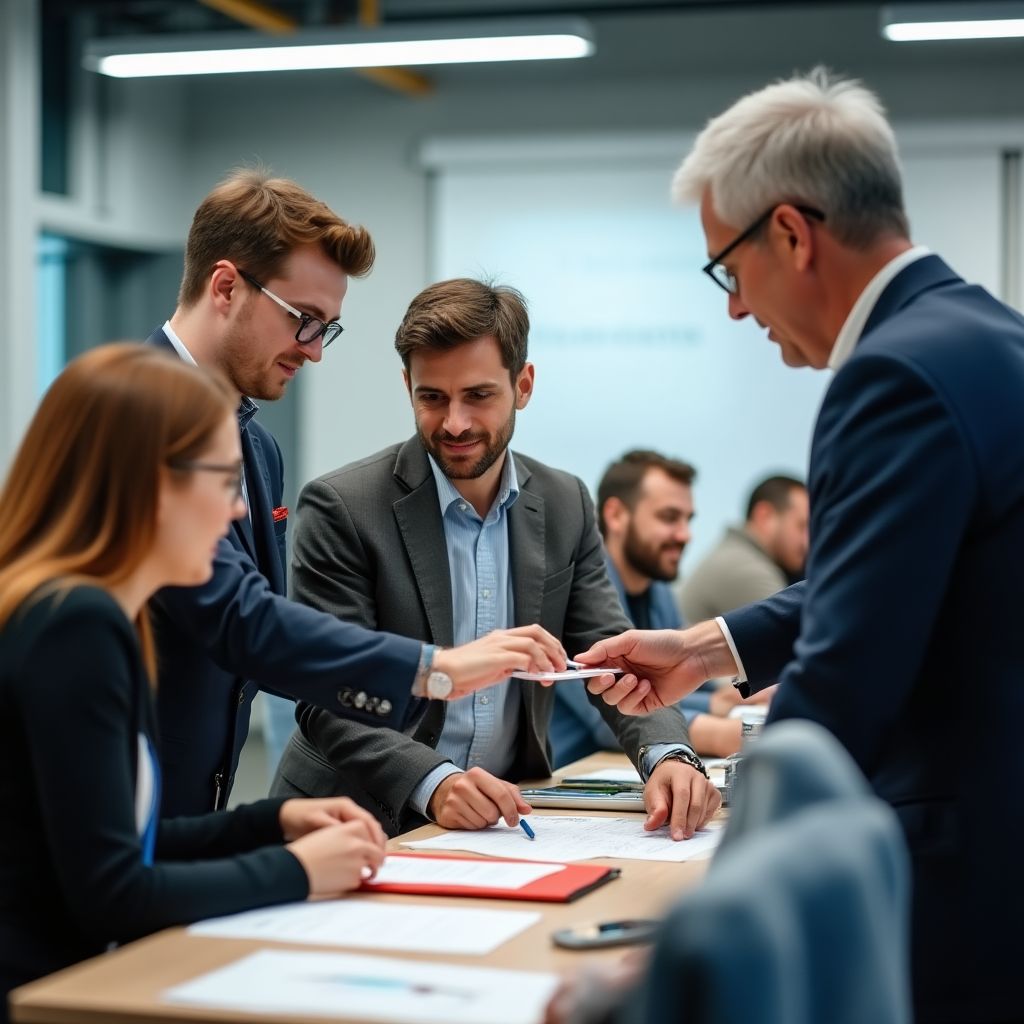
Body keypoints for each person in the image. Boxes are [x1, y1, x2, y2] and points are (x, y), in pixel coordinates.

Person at [575, 68, 1024, 1023]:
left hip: (962, 876)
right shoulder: (986, 337)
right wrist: (702, 649)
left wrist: (702, 943)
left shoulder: (892, 377)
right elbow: (887, 584)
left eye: (728, 271)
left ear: (790, 232)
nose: (736, 307)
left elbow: (838, 698)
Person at [148, 170, 566, 817]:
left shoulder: (257, 447)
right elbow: (242, 621)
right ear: (226, 286)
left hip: (185, 814)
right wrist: (436, 668)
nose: (314, 352)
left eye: (327, 329)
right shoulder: (134, 416)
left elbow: (263, 649)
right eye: (303, 321)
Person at [0, 345, 390, 1022]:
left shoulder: (84, 612)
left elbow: (117, 839)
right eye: (224, 481)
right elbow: (113, 891)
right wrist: (299, 872)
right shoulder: (76, 626)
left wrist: (271, 823)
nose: (239, 514)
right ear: (152, 485)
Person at [271, 279, 719, 841]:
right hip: (356, 822)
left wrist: (670, 755)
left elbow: (612, 654)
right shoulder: (344, 506)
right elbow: (328, 696)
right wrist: (435, 782)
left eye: (478, 396)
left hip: (506, 825)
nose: (454, 423)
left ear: (523, 385)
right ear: (407, 385)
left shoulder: (563, 501)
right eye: (432, 397)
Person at [550, 450, 752, 765]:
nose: (685, 535)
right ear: (616, 515)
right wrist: (731, 732)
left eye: (688, 520)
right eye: (669, 517)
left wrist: (719, 700)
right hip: (566, 780)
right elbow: (610, 714)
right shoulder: (575, 590)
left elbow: (667, 684)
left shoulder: (657, 588)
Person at [679, 474, 808, 623]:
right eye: (801, 525)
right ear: (765, 516)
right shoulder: (747, 570)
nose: (807, 541)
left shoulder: (732, 554)